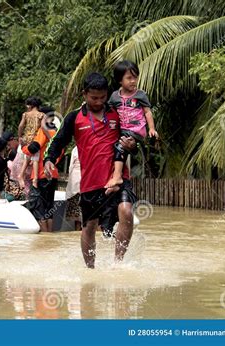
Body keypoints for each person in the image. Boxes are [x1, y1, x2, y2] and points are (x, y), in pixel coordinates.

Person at [44, 72, 137, 268]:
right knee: (89, 226)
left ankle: (118, 264)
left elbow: (132, 137)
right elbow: (59, 141)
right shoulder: (74, 118)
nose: (98, 101)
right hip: (90, 182)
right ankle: (90, 269)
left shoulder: (117, 113)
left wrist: (132, 144)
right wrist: (49, 159)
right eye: (94, 97)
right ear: (84, 94)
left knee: (126, 212)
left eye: (103, 97)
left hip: (117, 177)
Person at [105, 60, 158, 192]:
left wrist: (151, 129)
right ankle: (116, 181)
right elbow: (109, 111)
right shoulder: (114, 96)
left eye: (135, 77)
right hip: (122, 130)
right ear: (120, 80)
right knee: (115, 149)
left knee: (120, 146)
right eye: (129, 78)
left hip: (136, 130)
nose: (133, 81)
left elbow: (148, 112)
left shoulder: (140, 94)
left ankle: (117, 177)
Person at [22, 107, 63, 232]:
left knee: (40, 209)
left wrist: (23, 147)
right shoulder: (57, 132)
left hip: (42, 174)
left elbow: (34, 148)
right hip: (53, 173)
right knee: (49, 207)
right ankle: (49, 238)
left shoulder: (43, 131)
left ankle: (44, 239)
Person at [17, 96, 47, 189]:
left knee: (28, 157)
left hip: (26, 139)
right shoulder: (42, 115)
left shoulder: (25, 114)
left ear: (30, 105)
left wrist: (20, 136)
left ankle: (21, 175)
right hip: (35, 139)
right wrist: (50, 138)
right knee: (35, 158)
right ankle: (35, 179)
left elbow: (20, 126)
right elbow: (43, 127)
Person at [65, 146, 82, 231]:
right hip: (87, 182)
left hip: (75, 180)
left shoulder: (76, 149)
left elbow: (71, 167)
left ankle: (77, 233)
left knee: (77, 217)